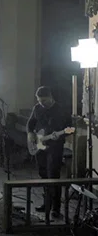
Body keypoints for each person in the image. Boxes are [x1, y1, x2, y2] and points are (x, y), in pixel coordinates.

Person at [27, 86, 71, 217]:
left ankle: (56, 208)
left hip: (55, 146)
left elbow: (70, 128)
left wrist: (62, 134)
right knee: (43, 174)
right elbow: (30, 124)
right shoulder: (37, 108)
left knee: (53, 175)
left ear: (51, 97)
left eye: (44, 101)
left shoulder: (61, 110)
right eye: (39, 101)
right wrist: (30, 133)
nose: (42, 104)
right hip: (40, 145)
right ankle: (47, 203)